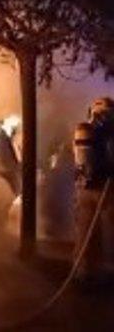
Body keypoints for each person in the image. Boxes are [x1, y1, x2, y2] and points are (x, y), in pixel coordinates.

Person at [73, 97, 114, 283]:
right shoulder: (108, 130)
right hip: (105, 188)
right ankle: (108, 272)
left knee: (85, 232)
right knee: (109, 233)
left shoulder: (82, 128)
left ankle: (83, 271)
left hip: (83, 189)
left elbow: (80, 161)